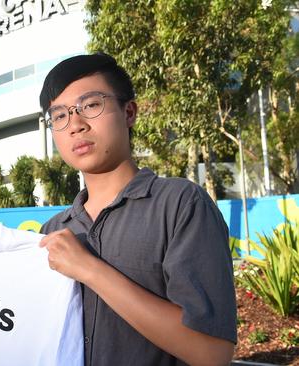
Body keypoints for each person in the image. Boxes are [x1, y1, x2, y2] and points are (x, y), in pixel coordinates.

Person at [38, 54, 237, 365]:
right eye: (59, 116)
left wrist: (89, 269)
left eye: (91, 105)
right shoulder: (53, 231)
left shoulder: (180, 204)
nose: (75, 125)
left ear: (128, 111)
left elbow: (212, 353)